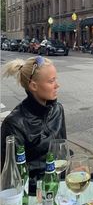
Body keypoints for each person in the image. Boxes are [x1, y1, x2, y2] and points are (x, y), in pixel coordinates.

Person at [1, 56, 66, 194]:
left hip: (59, 187)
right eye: (51, 81)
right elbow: (12, 178)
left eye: (56, 79)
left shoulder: (57, 110)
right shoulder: (14, 124)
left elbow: (62, 153)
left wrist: (73, 169)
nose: (57, 85)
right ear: (33, 86)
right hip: (33, 195)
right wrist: (41, 187)